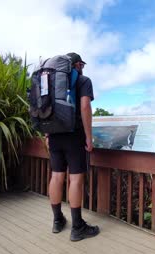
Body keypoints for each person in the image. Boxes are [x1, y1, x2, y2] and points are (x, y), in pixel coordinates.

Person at [45, 52, 100, 241]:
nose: (83, 68)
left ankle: (57, 220)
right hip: (73, 135)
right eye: (81, 65)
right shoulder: (83, 81)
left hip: (53, 135)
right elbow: (85, 107)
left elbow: (46, 108)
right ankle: (77, 227)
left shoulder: (52, 82)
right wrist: (89, 137)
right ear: (76, 65)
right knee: (75, 179)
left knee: (56, 176)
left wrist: (47, 133)